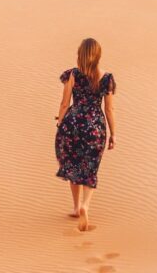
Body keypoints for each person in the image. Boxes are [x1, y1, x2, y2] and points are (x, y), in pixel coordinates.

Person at [54, 37, 117, 231]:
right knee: (90, 165)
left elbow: (65, 103)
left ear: (80, 55)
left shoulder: (72, 74)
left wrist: (60, 122)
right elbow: (109, 109)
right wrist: (113, 133)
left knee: (73, 163)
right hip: (95, 126)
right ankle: (85, 205)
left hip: (72, 123)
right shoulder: (105, 78)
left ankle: (75, 207)